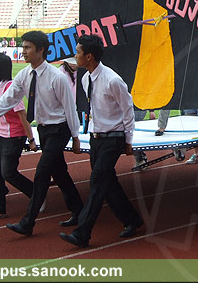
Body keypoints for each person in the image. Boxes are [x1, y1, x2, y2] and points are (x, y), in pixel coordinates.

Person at [0, 30, 84, 236]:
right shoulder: (24, 75)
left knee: (42, 173)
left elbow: (70, 108)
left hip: (59, 129)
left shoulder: (56, 77)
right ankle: (79, 210)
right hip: (44, 129)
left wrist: (76, 136)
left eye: (27, 47)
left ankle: (28, 222)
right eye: (22, 47)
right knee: (59, 172)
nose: (22, 51)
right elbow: (6, 100)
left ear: (41, 50)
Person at [59, 34, 143, 248]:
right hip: (96, 139)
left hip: (113, 138)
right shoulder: (86, 78)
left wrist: (128, 140)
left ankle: (82, 233)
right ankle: (132, 219)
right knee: (108, 184)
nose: (75, 56)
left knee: (97, 182)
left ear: (88, 56)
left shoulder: (112, 80)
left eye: (78, 52)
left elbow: (127, 110)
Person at [0, 52, 37, 221]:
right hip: (0, 135)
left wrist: (31, 139)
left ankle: (36, 193)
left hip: (14, 136)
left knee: (8, 172)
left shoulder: (10, 88)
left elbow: (22, 114)